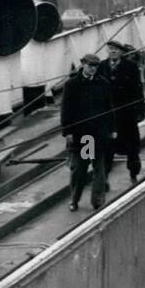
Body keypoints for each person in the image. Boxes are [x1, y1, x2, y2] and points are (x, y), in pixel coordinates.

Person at [60, 53, 115, 211]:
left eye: (95, 66)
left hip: (99, 134)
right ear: (83, 64)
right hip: (83, 137)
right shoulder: (72, 85)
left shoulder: (103, 83)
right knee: (80, 170)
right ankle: (75, 199)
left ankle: (97, 201)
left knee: (99, 169)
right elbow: (66, 110)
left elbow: (109, 107)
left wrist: (112, 129)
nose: (93, 69)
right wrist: (68, 132)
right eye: (90, 65)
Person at [102, 39, 145, 186]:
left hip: (127, 114)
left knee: (132, 146)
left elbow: (138, 90)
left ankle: (134, 173)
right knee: (107, 148)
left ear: (121, 52)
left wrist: (140, 111)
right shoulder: (101, 67)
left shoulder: (131, 67)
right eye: (110, 49)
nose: (113, 51)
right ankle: (104, 177)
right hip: (108, 115)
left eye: (116, 49)